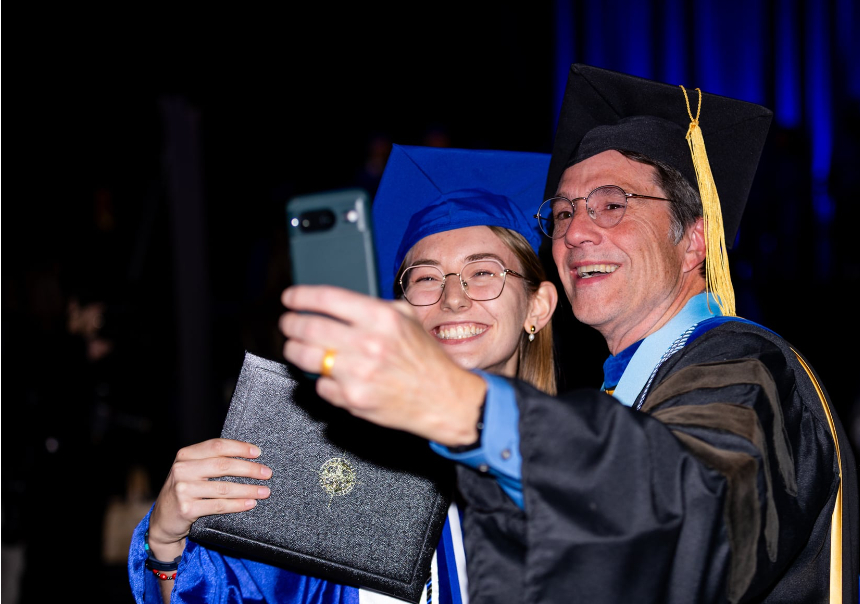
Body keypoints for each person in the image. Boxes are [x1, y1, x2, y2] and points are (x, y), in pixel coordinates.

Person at [279, 64, 860, 603]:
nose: (576, 231)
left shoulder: (747, 367)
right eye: (561, 212)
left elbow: (698, 518)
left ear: (693, 241)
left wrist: (466, 407)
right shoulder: (629, 393)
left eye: (612, 204)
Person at [128, 145, 558, 603]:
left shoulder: (586, 464)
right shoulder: (335, 466)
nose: (453, 297)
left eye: (484, 271)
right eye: (426, 277)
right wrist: (166, 546)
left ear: (538, 305)